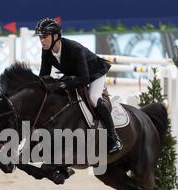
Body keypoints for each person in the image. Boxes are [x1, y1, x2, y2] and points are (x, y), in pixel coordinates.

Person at [34, 17, 123, 155]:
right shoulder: (46, 51)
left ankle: (114, 137)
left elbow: (84, 78)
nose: (41, 40)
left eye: (44, 37)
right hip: (75, 75)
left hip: (94, 73)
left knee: (93, 98)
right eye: (40, 37)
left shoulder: (74, 49)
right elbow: (43, 75)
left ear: (55, 36)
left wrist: (61, 84)